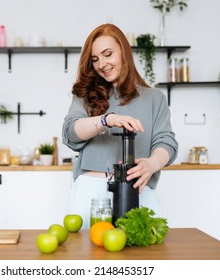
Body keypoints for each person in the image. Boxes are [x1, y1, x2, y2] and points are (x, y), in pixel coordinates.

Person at [62, 23, 178, 229]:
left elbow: (166, 142)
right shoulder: (85, 96)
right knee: (85, 256)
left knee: (146, 258)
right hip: (91, 192)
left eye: (108, 54)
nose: (101, 64)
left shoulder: (154, 98)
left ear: (124, 52)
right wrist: (106, 120)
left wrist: (151, 164)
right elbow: (71, 132)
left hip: (137, 190)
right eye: (95, 59)